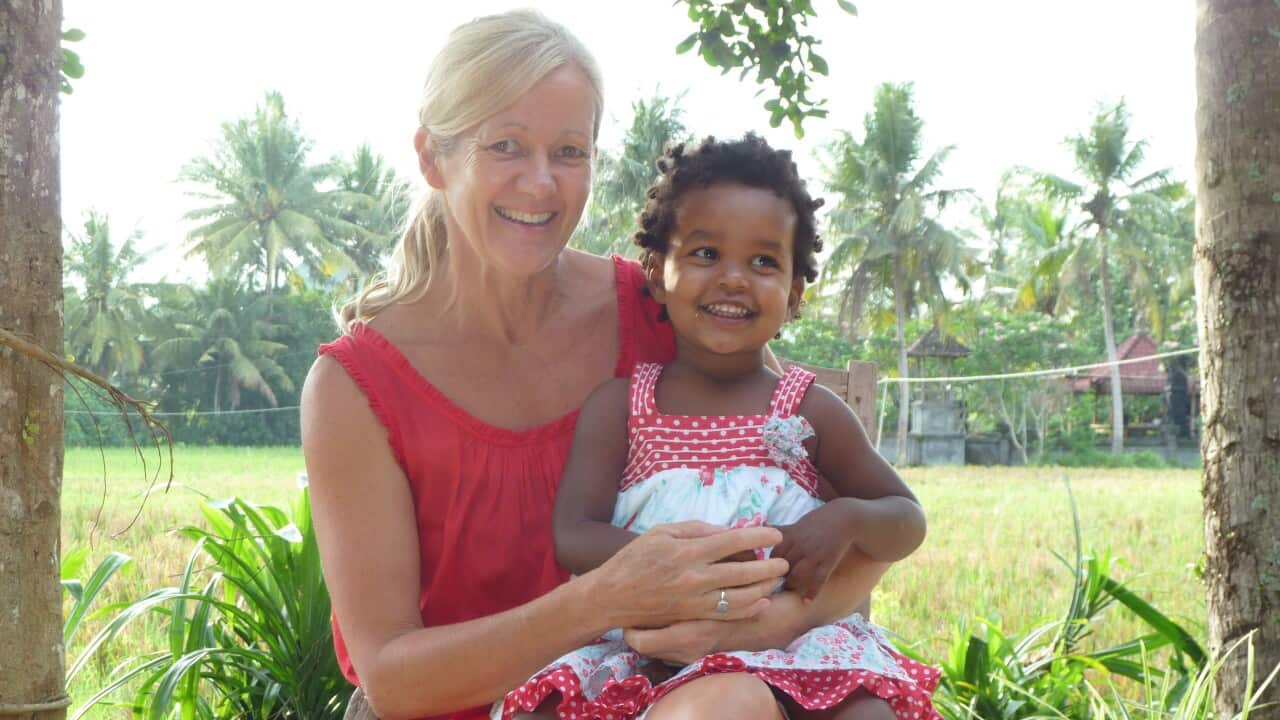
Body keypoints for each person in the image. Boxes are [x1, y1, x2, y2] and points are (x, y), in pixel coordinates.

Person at [302, 10, 890, 720]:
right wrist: (605, 599)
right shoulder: (356, 387)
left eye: (570, 152)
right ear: (433, 158)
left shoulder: (660, 313)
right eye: (507, 146)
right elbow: (392, 679)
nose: (541, 183)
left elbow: (854, 538)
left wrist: (780, 623)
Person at [494, 135, 940, 720]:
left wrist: (847, 518)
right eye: (705, 253)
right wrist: (677, 573)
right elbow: (573, 534)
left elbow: (906, 519)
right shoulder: (622, 407)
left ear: (795, 294)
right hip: (644, 646)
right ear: (656, 272)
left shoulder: (808, 410)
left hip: (789, 649)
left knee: (869, 715)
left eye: (763, 262)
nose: (733, 278)